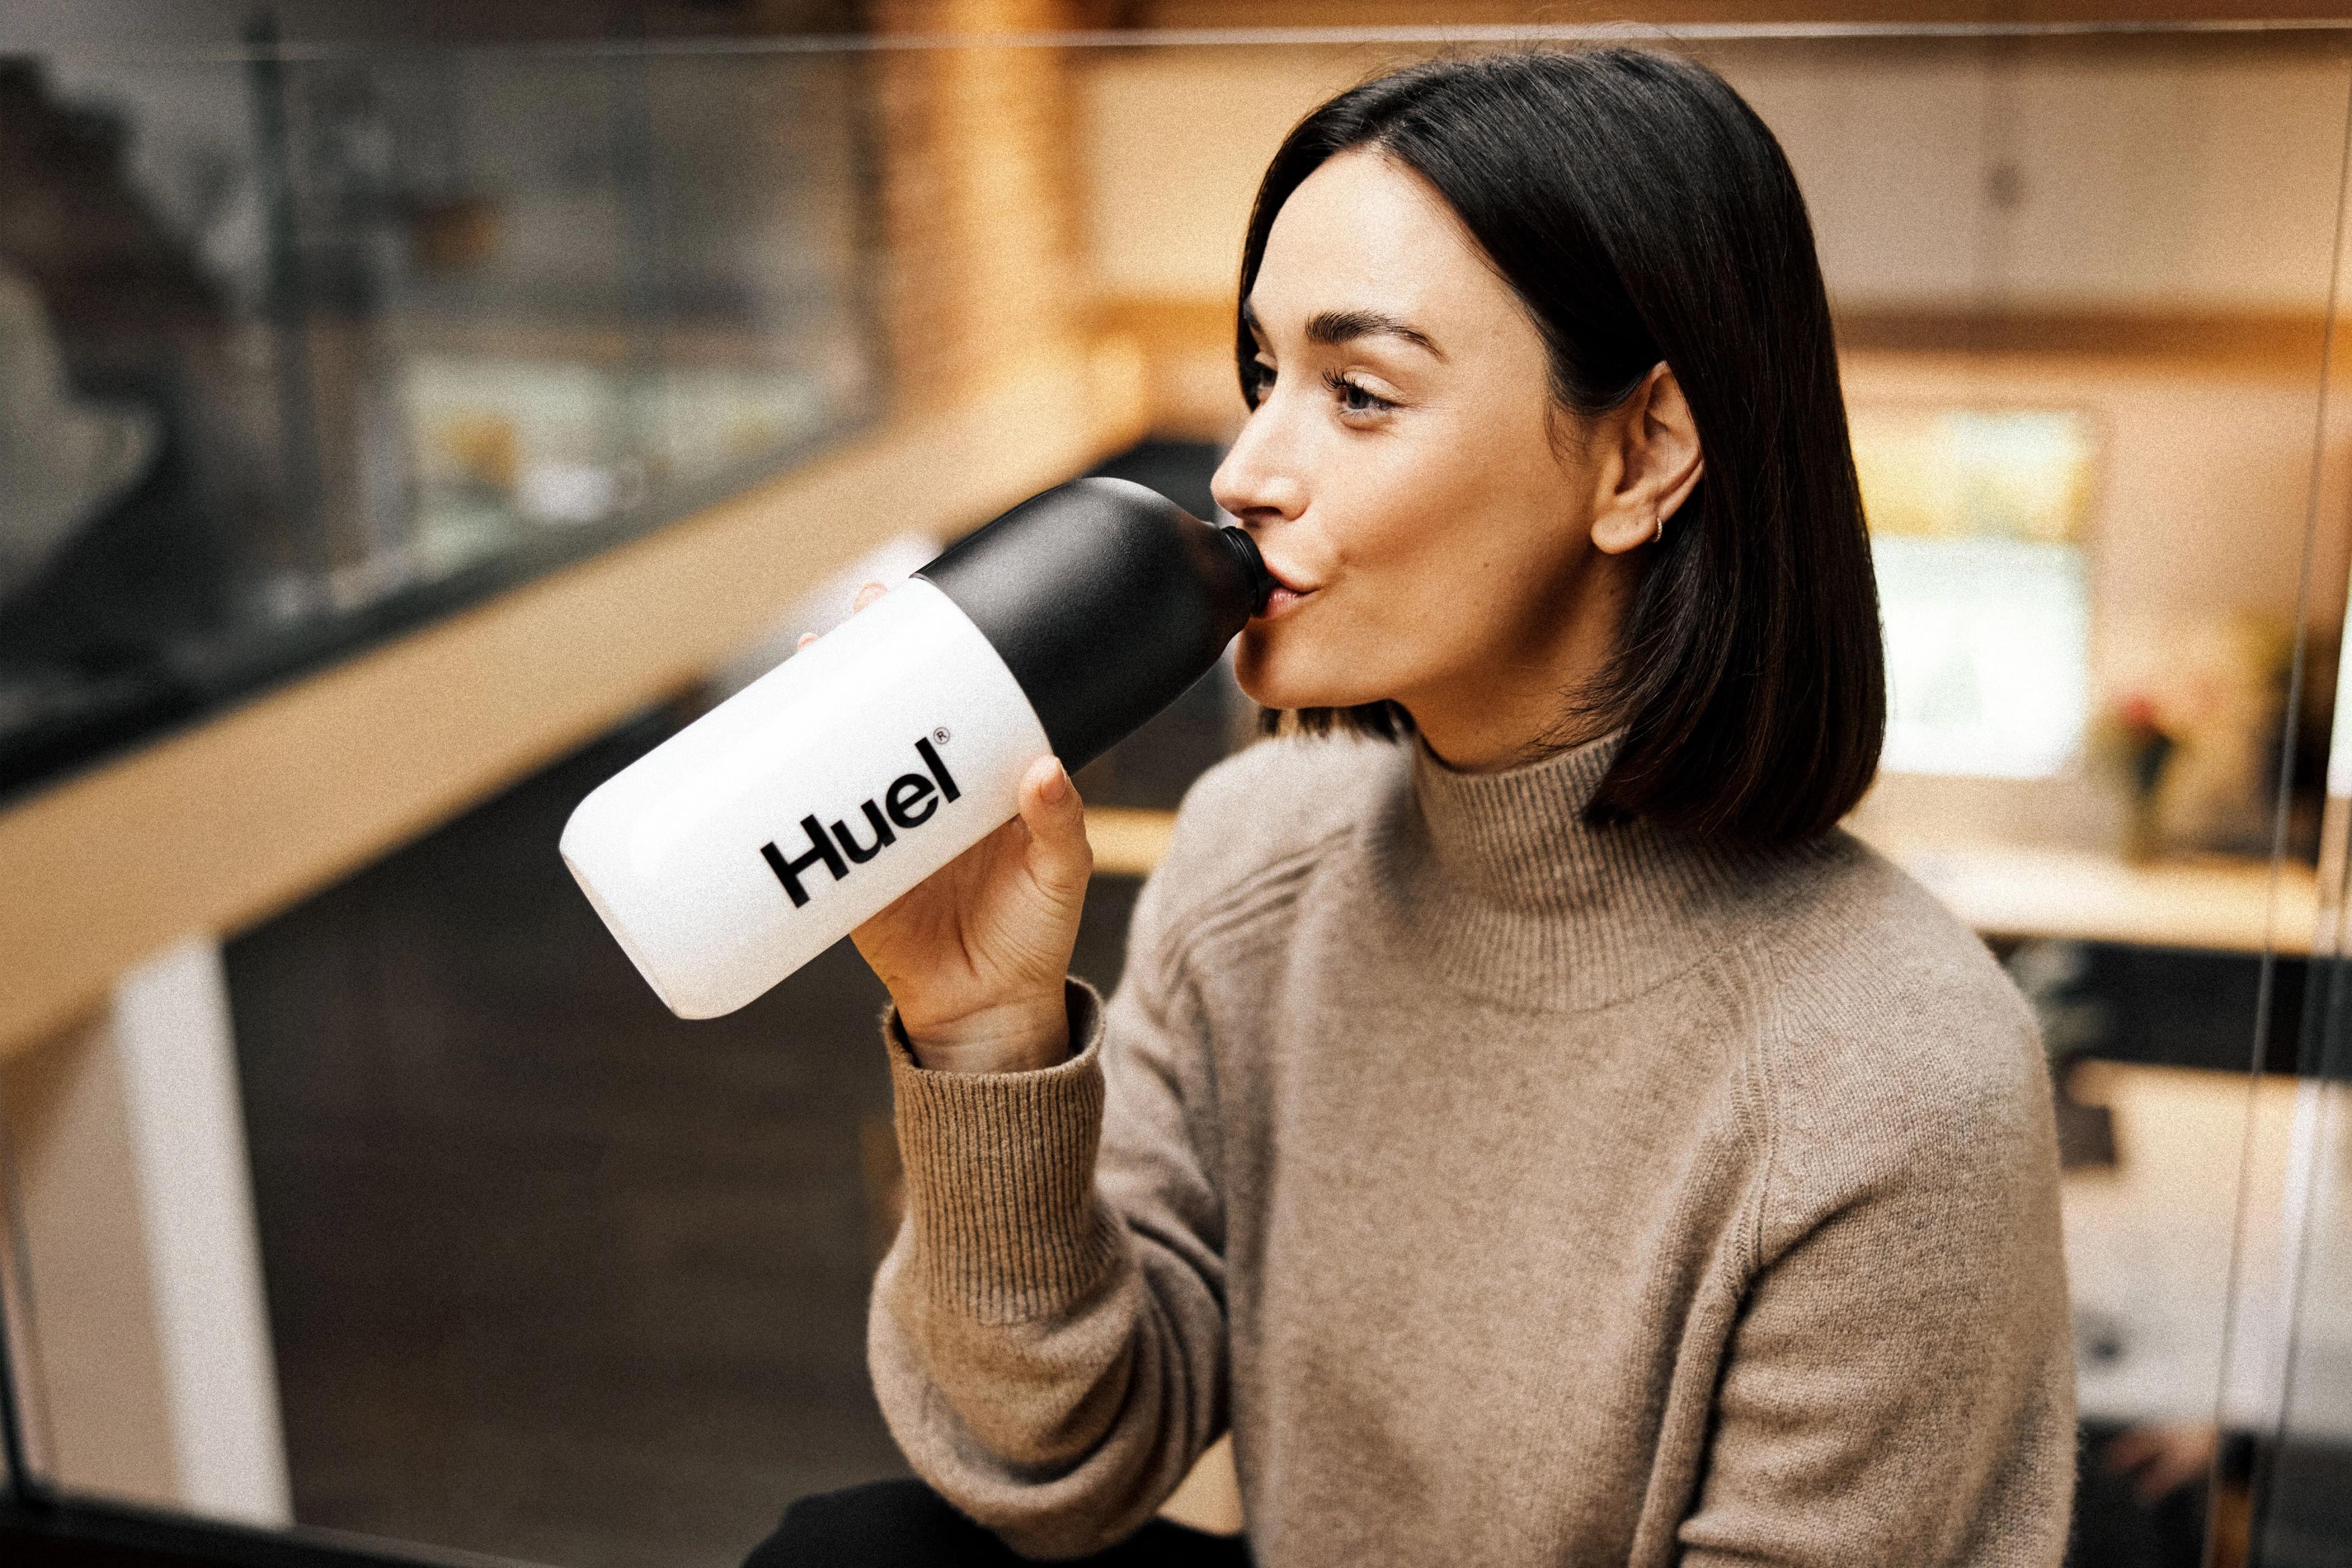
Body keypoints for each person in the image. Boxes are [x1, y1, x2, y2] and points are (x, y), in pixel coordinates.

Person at [747, 46, 2075, 1567]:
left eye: (1359, 393)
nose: (1248, 468)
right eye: (1264, 376)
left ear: (1642, 453)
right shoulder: (1262, 854)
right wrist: (987, 1041)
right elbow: (1045, 1459)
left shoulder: (1894, 1084)